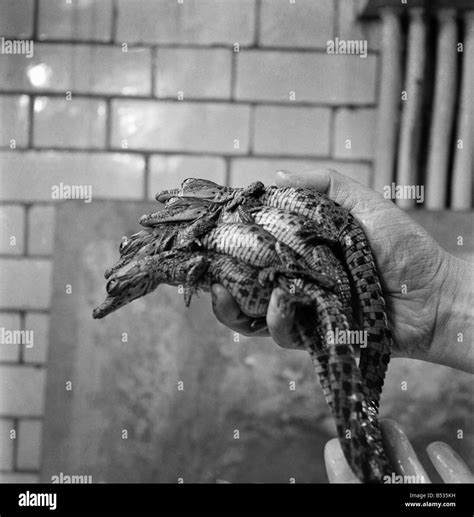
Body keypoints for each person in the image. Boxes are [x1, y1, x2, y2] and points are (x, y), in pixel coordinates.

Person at [210, 168, 473, 483]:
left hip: (333, 248)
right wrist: (442, 301)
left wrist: (443, 300)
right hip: (323, 264)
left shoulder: (241, 203)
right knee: (318, 333)